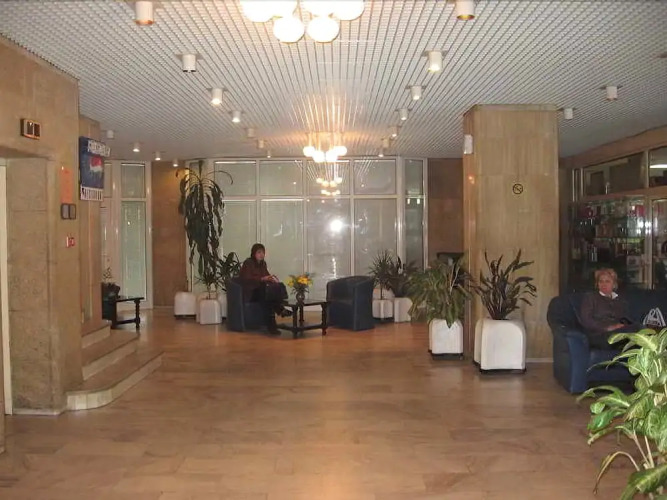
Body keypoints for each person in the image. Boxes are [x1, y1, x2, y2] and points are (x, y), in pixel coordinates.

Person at [579, 268, 640, 349]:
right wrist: (608, 328)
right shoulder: (591, 298)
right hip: (599, 335)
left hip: (618, 333)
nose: (603, 284)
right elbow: (586, 321)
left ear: (614, 284)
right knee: (634, 334)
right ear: (597, 284)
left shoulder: (620, 300)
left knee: (640, 329)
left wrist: (624, 325)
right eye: (601, 281)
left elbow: (626, 318)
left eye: (607, 281)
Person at [239, 243, 290, 335]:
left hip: (261, 291)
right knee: (266, 294)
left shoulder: (263, 264)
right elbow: (246, 279)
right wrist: (262, 279)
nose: (261, 255)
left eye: (263, 252)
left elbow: (266, 276)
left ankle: (274, 321)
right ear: (254, 253)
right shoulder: (248, 263)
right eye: (259, 252)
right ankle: (280, 309)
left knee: (271, 293)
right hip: (250, 292)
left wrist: (272, 278)